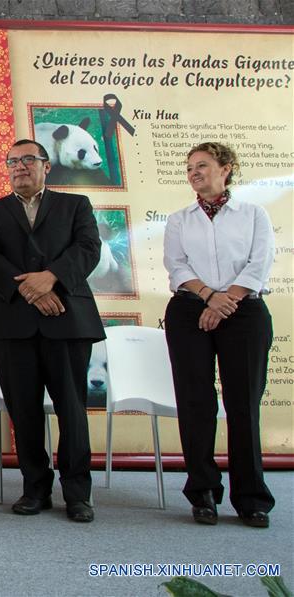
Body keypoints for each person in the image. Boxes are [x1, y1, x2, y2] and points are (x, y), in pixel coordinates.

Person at [0, 139, 104, 523]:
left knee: (72, 411)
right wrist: (28, 291)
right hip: (11, 322)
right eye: (12, 161)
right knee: (24, 412)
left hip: (67, 319)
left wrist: (51, 278)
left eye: (28, 159)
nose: (19, 167)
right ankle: (35, 489)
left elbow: (89, 249)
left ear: (47, 166)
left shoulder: (74, 205)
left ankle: (78, 493)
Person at [163, 142, 275, 528]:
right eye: (190, 167)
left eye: (202, 165)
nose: (194, 172)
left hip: (244, 310)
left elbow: (259, 262)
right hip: (190, 307)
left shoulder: (254, 214)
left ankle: (252, 498)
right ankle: (203, 493)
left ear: (226, 168)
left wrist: (228, 300)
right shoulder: (179, 219)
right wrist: (211, 298)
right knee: (196, 403)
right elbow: (176, 266)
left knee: (243, 404)